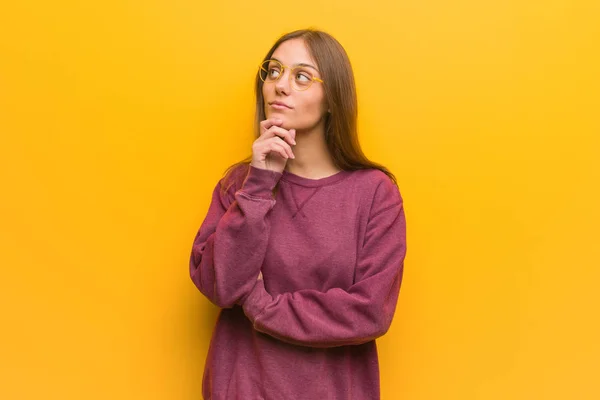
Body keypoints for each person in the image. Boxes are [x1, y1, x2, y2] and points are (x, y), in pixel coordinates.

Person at [189, 28, 407, 400]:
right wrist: (259, 185)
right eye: (273, 72)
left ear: (333, 98)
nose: (280, 86)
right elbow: (220, 286)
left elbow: (370, 311)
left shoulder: (375, 194)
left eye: (301, 76)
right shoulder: (238, 184)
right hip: (241, 388)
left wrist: (260, 304)